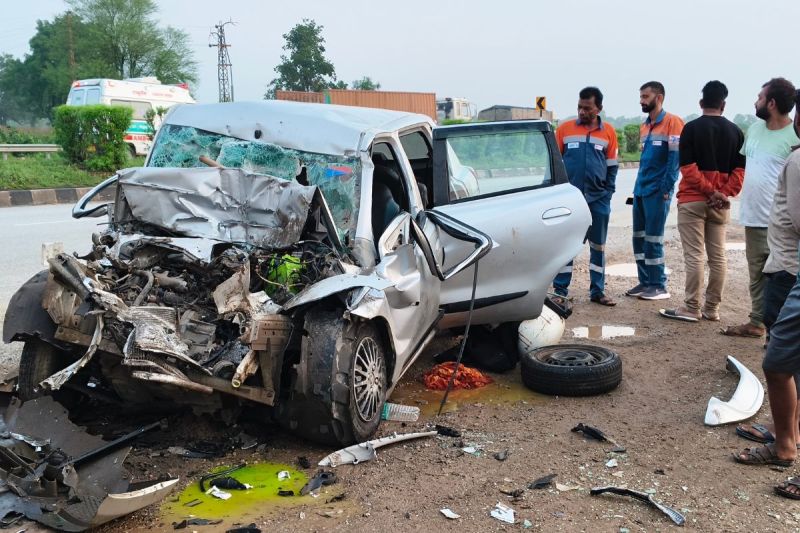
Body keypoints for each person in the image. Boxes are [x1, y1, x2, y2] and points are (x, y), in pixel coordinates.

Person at [735, 90, 800, 457]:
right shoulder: (762, 136)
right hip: (784, 261)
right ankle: (788, 431)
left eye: (761, 96)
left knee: (780, 361)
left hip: (789, 270)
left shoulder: (797, 158)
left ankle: (785, 438)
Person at [660, 81, 744, 322]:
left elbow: (687, 168)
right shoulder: (736, 132)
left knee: (695, 256)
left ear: (701, 102)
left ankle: (691, 307)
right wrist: (722, 193)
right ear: (723, 105)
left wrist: (709, 192)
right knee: (718, 257)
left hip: (692, 201)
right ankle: (712, 309)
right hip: (720, 205)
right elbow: (740, 172)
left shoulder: (691, 129)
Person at [722, 78, 800, 338]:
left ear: (772, 103)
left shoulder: (794, 136)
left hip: (782, 222)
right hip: (753, 216)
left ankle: (782, 330)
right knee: (756, 273)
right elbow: (747, 169)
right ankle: (757, 322)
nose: (756, 102)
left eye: (760, 97)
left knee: (784, 276)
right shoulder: (754, 130)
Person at [552, 87, 619, 306]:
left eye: (587, 108)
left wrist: (607, 194)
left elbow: (612, 168)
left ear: (598, 108)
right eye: (579, 107)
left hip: (598, 200)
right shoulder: (564, 130)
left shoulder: (608, 132)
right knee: (565, 247)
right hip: (570, 201)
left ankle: (597, 291)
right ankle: (560, 292)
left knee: (598, 247)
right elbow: (554, 165)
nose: (582, 111)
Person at [626, 81, 684, 300]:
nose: (641, 101)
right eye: (641, 96)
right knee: (639, 238)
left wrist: (666, 188)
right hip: (641, 189)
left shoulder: (673, 123)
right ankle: (645, 282)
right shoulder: (644, 126)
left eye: (645, 97)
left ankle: (658, 285)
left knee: (653, 239)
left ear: (659, 98)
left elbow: (674, 159)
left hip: (658, 191)